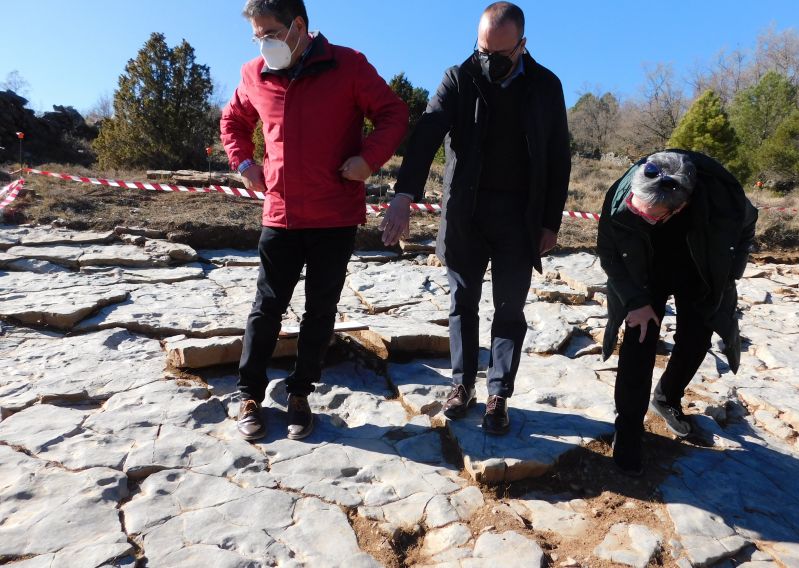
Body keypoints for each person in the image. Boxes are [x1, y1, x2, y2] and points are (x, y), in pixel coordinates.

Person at [221, 0, 408, 441]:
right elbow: (233, 120)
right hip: (280, 215)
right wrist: (244, 164)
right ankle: (249, 394)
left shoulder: (348, 65)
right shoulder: (254, 73)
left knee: (320, 311)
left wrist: (368, 160)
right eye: (256, 36)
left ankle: (300, 394)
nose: (262, 43)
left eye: (269, 32)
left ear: (298, 26)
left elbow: (393, 114)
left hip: (334, 216)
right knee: (266, 308)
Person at [386, 2, 570, 435]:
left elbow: (559, 159)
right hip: (464, 213)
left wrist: (550, 222)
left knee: (509, 309)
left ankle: (498, 395)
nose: (488, 62)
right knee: (461, 303)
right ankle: (461, 385)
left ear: (522, 46)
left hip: (519, 218)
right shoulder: (459, 76)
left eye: (499, 55)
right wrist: (404, 194)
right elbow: (426, 133)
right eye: (482, 50)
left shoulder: (546, 86)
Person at [597, 150, 758, 476]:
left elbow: (747, 227)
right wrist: (633, 301)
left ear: (679, 207)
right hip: (645, 272)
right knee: (639, 340)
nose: (640, 214)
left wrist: (731, 274)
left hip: (697, 271)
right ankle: (628, 429)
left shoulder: (722, 197)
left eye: (652, 215)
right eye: (636, 208)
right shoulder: (620, 196)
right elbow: (609, 252)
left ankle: (667, 397)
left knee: (696, 340)